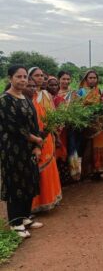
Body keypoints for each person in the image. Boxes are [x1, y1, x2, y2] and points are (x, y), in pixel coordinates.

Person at [0, 65, 43, 238]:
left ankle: (24, 217)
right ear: (10, 78)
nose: (23, 80)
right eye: (19, 76)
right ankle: (15, 223)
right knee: (15, 182)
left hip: (28, 147)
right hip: (12, 148)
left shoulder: (25, 98)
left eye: (25, 77)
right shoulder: (4, 100)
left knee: (28, 179)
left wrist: (37, 146)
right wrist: (36, 139)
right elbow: (14, 127)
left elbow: (33, 123)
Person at [28, 67, 62, 213]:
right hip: (33, 137)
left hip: (47, 136)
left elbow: (53, 116)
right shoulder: (28, 96)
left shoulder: (46, 95)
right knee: (35, 168)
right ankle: (34, 204)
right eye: (37, 75)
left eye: (42, 75)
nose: (40, 78)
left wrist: (55, 134)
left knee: (48, 168)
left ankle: (49, 200)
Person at [78, 70, 103, 179]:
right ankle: (87, 172)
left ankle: (98, 170)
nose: (92, 80)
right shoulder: (81, 91)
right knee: (88, 148)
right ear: (86, 79)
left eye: (94, 78)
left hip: (98, 123)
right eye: (90, 78)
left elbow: (101, 106)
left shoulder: (98, 90)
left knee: (98, 145)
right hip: (87, 123)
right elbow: (78, 106)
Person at [56, 71, 80, 182]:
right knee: (60, 148)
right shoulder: (54, 93)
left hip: (70, 126)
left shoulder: (73, 93)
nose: (66, 81)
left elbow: (77, 108)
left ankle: (72, 174)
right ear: (58, 79)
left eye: (68, 79)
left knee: (70, 148)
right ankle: (59, 176)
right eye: (63, 79)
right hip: (58, 127)